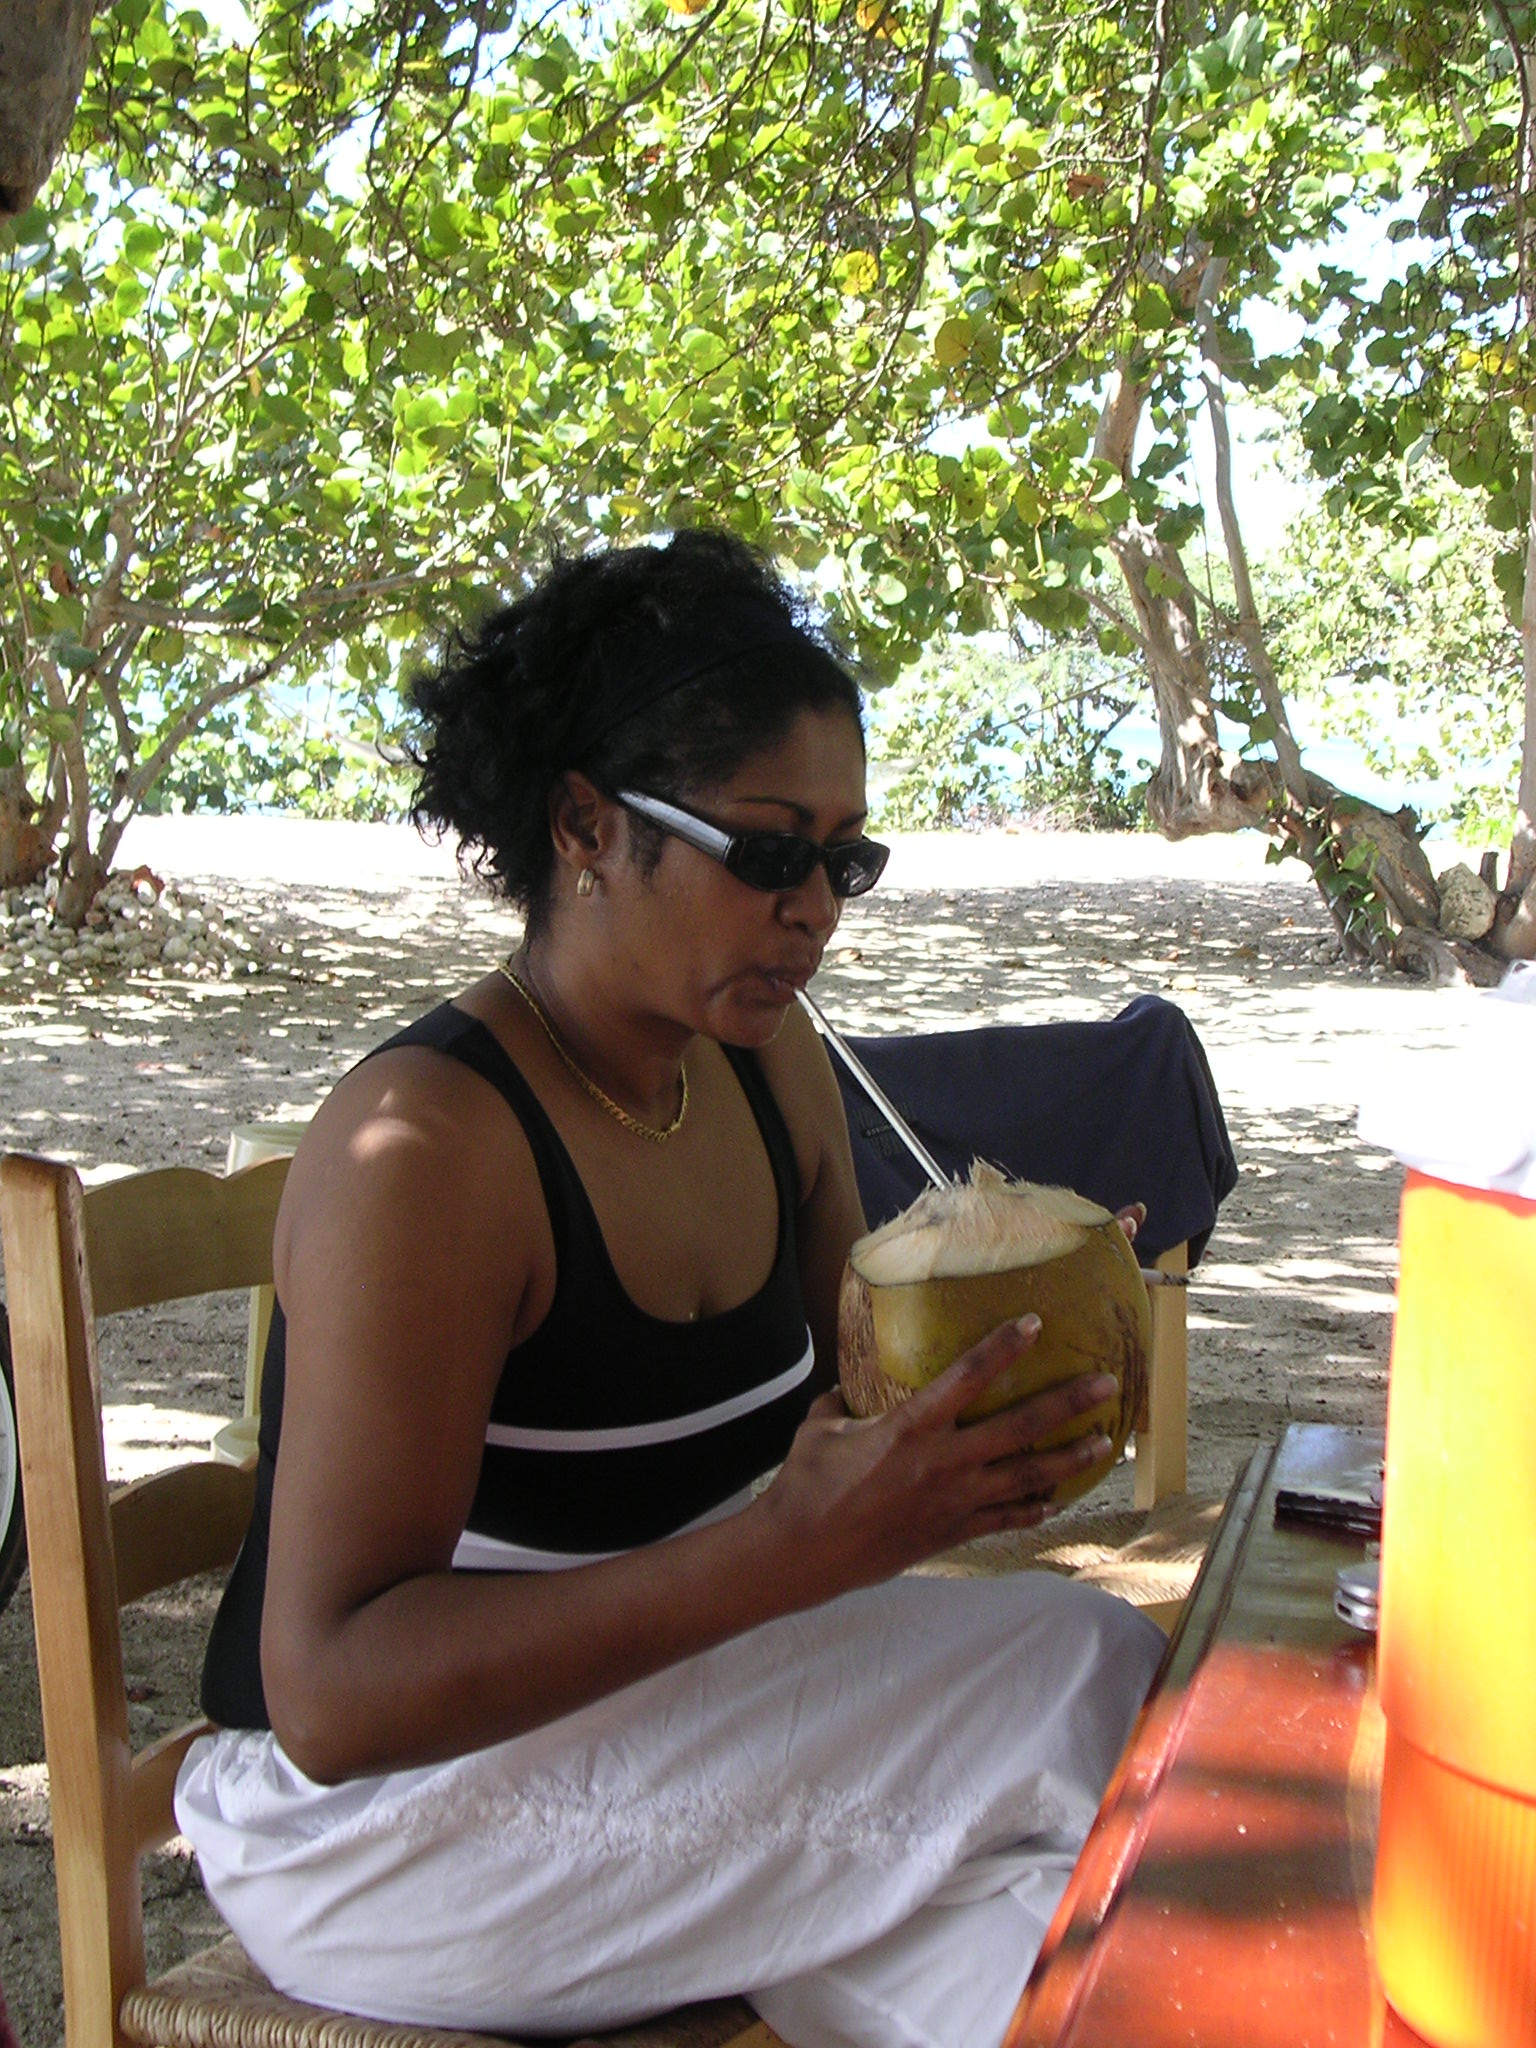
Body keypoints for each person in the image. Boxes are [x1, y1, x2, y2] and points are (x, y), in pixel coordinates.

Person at [176, 530, 1163, 2048]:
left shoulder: (768, 1065)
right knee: (1085, 1680)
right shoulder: (429, 1151)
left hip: (666, 1708)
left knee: (1067, 1940)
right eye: (768, 851)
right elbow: (332, 1694)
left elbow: (857, 1409)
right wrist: (785, 1554)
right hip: (375, 1827)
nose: (816, 908)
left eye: (846, 860)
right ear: (586, 823)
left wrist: (1023, 1341)